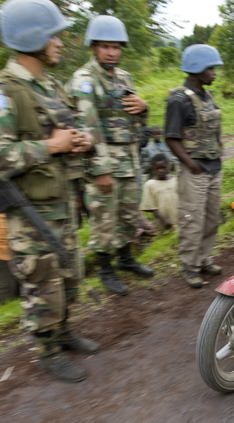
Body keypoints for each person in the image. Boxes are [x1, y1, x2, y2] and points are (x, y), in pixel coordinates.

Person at [0, 0, 98, 382]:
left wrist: (79, 139)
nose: (61, 41)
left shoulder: (51, 84)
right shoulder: (7, 91)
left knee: (69, 276)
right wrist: (52, 146)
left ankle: (64, 332)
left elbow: (65, 129)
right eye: (55, 34)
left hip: (63, 204)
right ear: (32, 38)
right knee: (42, 284)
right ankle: (47, 350)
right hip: (30, 214)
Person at [66, 15, 153, 296]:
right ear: (93, 47)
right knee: (104, 220)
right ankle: (106, 270)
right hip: (102, 162)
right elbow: (87, 126)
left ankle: (126, 259)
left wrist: (144, 107)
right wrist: (100, 168)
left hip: (128, 159)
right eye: (105, 46)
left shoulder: (124, 77)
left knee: (128, 215)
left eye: (116, 47)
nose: (112, 52)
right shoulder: (85, 80)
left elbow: (135, 120)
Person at [164, 44, 224, 288]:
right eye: (211, 68)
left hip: (213, 168)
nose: (214, 73)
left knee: (210, 219)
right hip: (195, 171)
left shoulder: (207, 95)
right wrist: (191, 165)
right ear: (198, 69)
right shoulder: (179, 99)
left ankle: (203, 259)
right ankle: (189, 265)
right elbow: (171, 137)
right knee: (192, 219)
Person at [139, 154, 178, 233]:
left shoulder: (176, 179)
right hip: (162, 223)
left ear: (168, 166)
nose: (161, 171)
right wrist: (163, 219)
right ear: (153, 169)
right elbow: (150, 206)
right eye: (157, 168)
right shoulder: (150, 184)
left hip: (178, 220)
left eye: (163, 167)